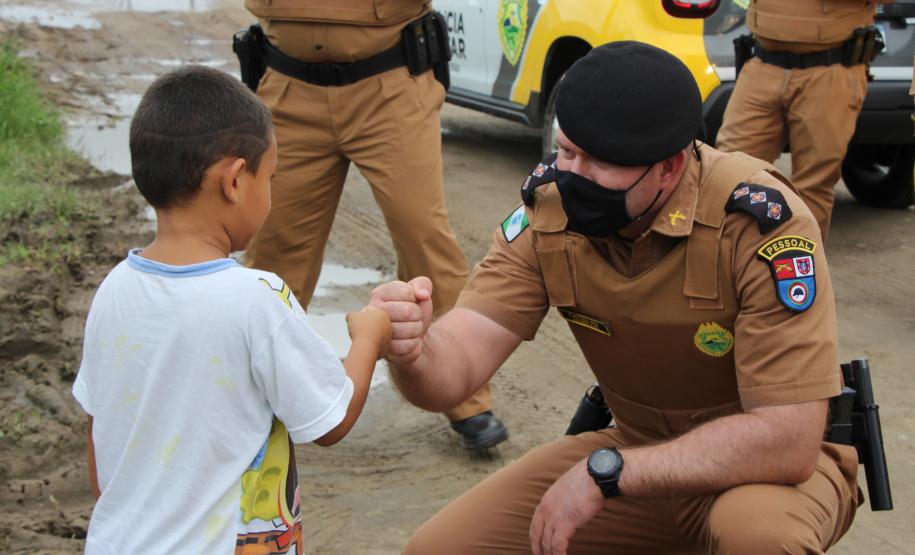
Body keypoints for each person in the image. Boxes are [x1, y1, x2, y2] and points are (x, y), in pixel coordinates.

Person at [370, 42, 860, 554]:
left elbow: (788, 439)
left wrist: (607, 475)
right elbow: (457, 365)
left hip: (762, 473)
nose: (573, 176)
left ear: (669, 168)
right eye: (566, 151)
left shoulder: (757, 224)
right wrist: (413, 350)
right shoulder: (549, 212)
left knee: (758, 541)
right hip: (637, 447)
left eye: (599, 163)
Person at [72, 66, 392, 554]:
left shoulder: (113, 290)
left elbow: (101, 460)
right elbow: (331, 419)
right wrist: (369, 336)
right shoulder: (256, 297)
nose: (270, 192)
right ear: (236, 180)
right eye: (270, 176)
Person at [241, 0, 507, 449]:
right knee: (273, 249)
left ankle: (467, 397)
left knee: (424, 238)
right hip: (287, 88)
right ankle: (245, 398)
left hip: (389, 86)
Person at [716, 0, 888, 240]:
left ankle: (801, 273)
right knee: (729, 175)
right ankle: (734, 269)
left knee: (813, 186)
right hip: (762, 65)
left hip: (830, 70)